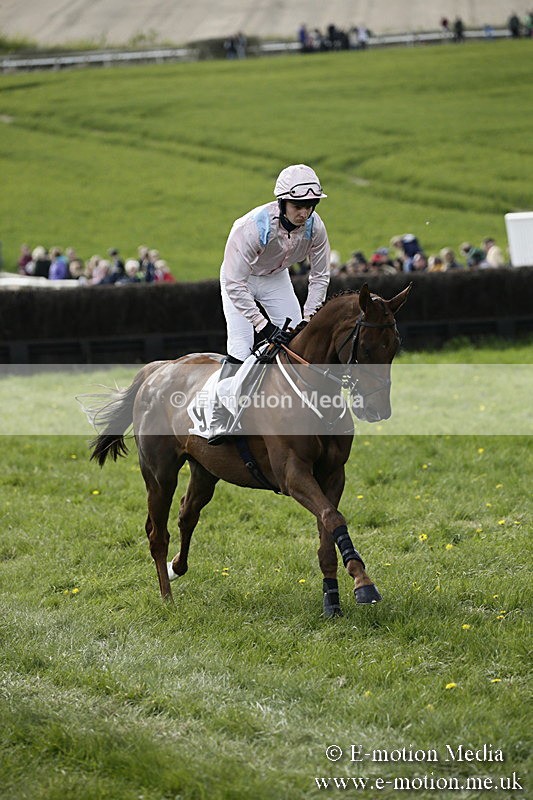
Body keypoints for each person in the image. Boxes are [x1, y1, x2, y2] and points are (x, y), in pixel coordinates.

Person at [208, 163, 331, 445]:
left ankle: (291, 408)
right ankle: (218, 412)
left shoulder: (316, 227)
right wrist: (262, 325)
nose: (305, 212)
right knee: (241, 345)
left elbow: (320, 275)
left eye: (311, 205)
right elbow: (234, 284)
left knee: (296, 341)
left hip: (275, 278)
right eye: (298, 205)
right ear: (282, 201)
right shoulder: (251, 227)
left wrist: (309, 317)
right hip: (239, 280)